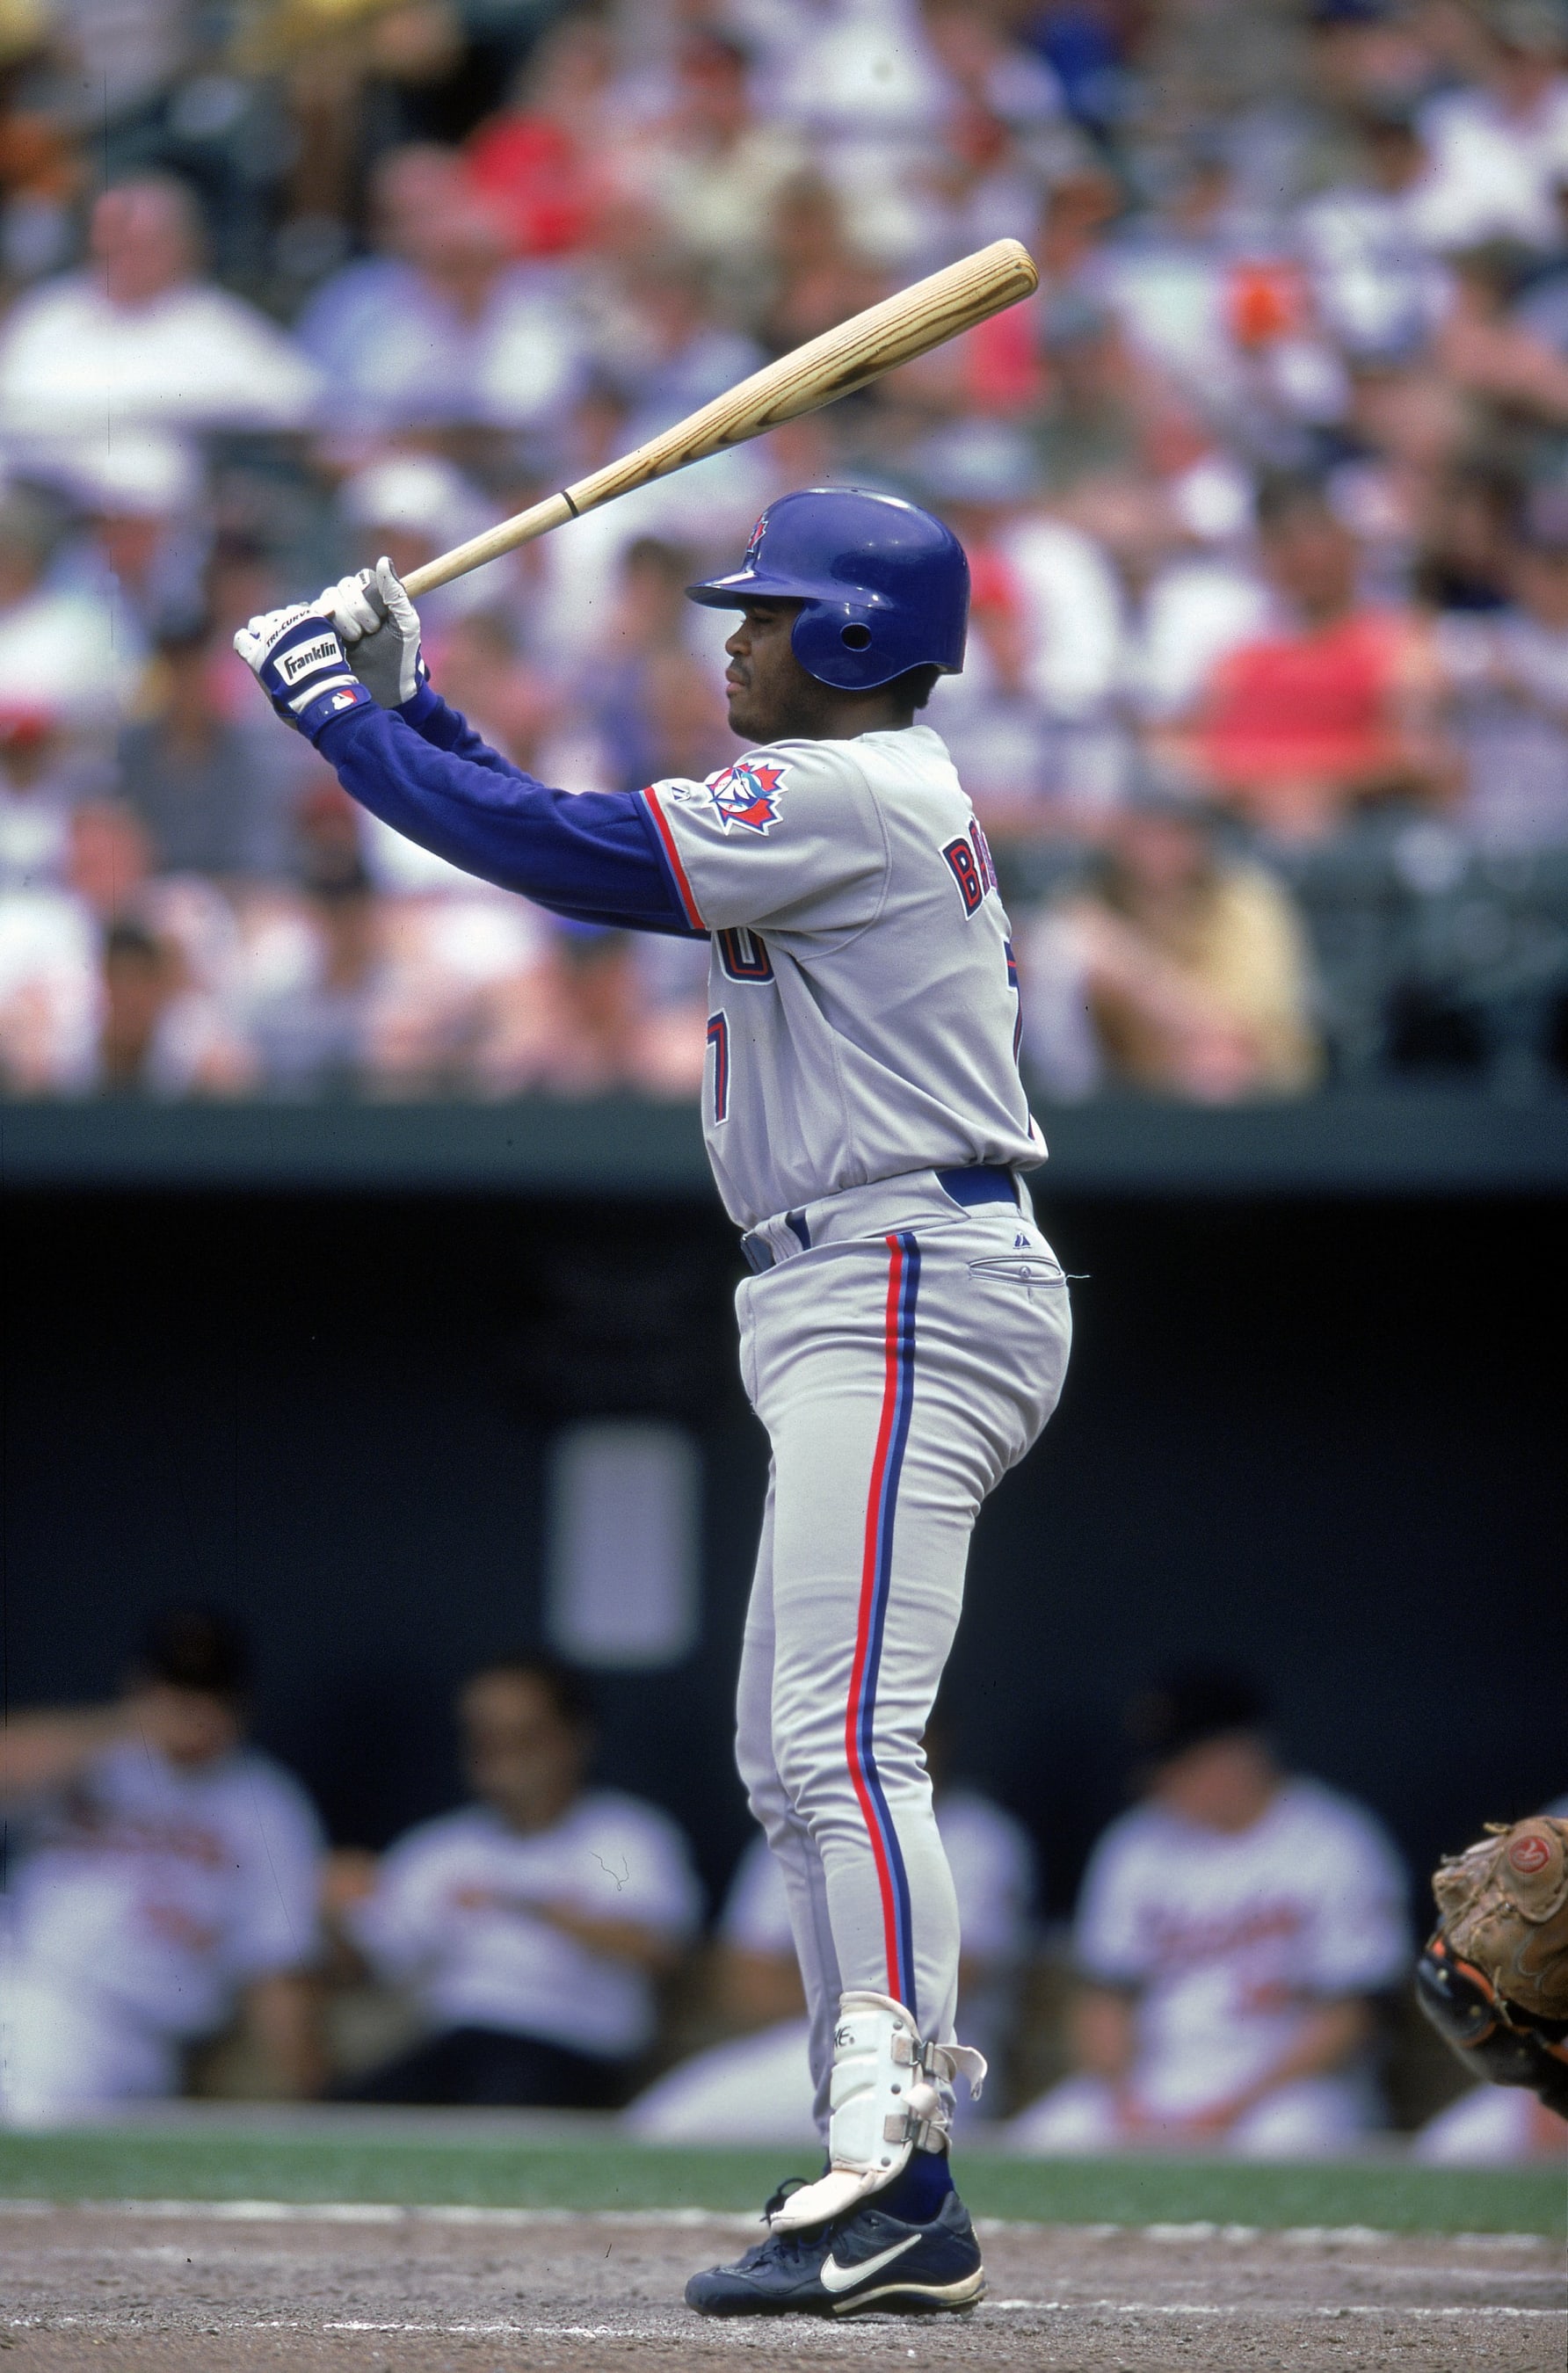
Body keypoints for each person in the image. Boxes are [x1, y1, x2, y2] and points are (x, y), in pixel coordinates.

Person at [235, 483, 1073, 2318]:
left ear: (854, 640)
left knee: (845, 1738)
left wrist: (337, 717)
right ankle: (880, 2159)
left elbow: (575, 860)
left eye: (768, 613)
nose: (735, 636)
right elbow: (573, 829)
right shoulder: (846, 799)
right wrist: (419, 709)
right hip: (855, 1275)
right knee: (792, 1753)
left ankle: (901, 2167)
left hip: (906, 1271)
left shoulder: (856, 787)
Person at [1007, 1670, 1410, 2158]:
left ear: (1241, 1753)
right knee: (1041, 2143)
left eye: (1183, 1764)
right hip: (1158, 2083)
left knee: (1286, 2142)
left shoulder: (1335, 1840)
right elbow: (1103, 1998)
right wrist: (1123, 2098)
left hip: (1291, 2091)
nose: (1163, 1783)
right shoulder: (1137, 1842)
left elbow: (1353, 2014)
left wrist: (1230, 2109)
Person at [627, 1713, 1037, 2143]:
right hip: (802, 2049)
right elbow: (746, 1987)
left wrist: (817, 1977)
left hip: (930, 2064)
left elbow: (936, 1989)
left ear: (932, 1740)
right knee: (659, 2127)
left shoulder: (977, 1839)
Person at [327, 1654, 701, 2107]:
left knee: (502, 2100)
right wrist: (337, 1911)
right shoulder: (439, 1847)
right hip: (456, 2039)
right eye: (486, 1738)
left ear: (573, 1738)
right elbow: (372, 1961)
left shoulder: (623, 1837)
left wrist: (523, 1904)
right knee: (354, 2110)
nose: (502, 1754)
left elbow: (655, 1946)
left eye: (523, 1735)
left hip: (572, 2044)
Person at [0, 1608, 325, 2124]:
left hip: (132, 2034)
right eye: (177, 1687)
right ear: (143, 1687)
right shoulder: (95, 1755)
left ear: (240, 1705)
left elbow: (276, 1968)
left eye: (210, 1692)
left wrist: (310, 2103)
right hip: (26, 1979)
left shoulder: (265, 1803)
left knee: (38, 2111)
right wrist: (128, 1723)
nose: (193, 1708)